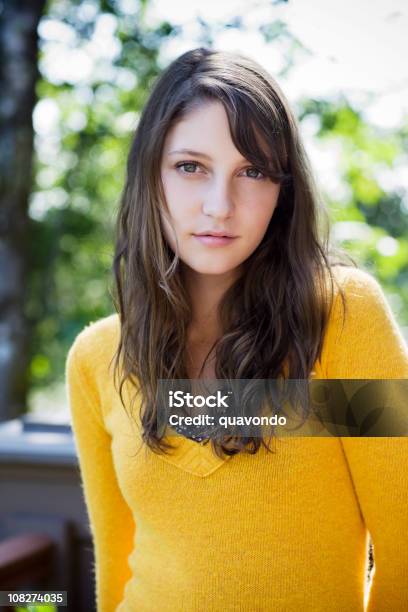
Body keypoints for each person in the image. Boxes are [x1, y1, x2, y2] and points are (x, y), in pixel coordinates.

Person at [66, 47, 408, 612]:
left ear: (284, 190)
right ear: (149, 176)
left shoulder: (344, 319)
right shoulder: (96, 357)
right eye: (190, 167)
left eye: (252, 171)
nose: (219, 206)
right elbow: (116, 560)